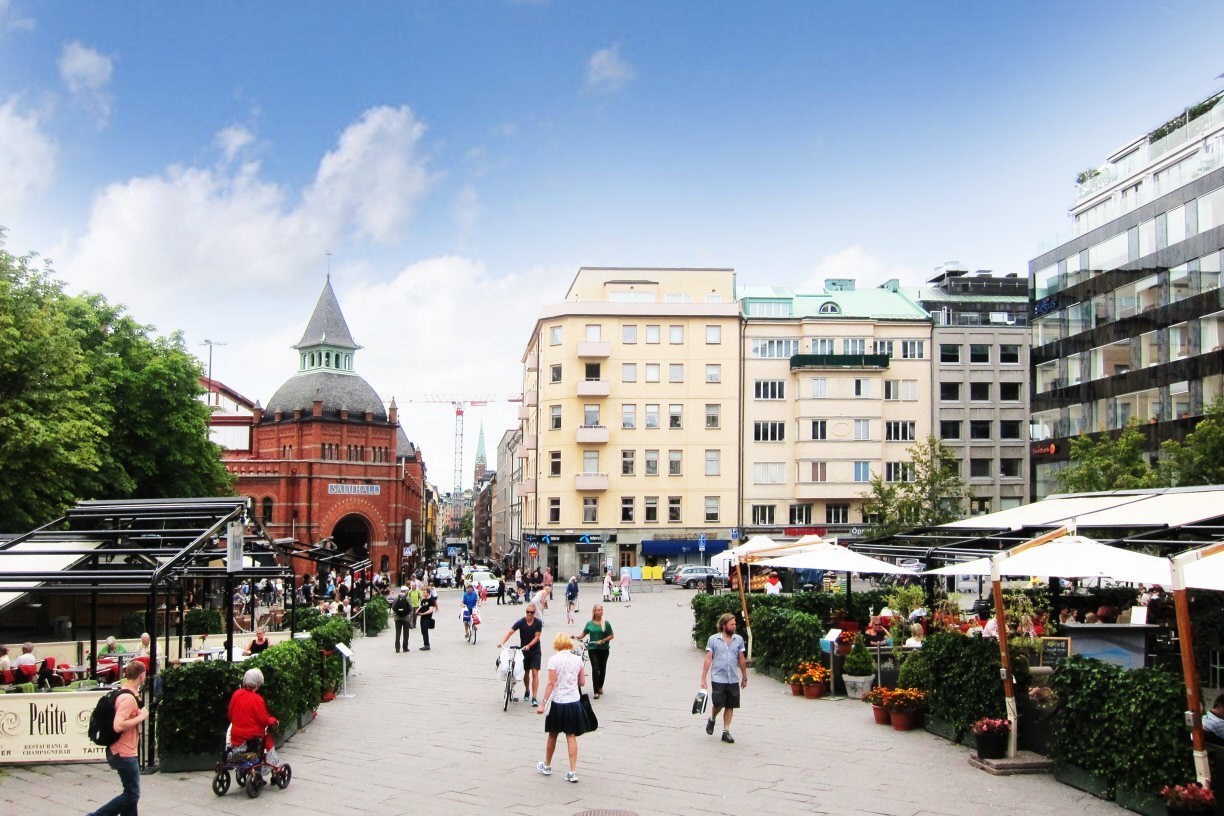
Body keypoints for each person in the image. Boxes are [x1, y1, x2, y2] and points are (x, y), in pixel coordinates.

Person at [86, 660, 148, 816]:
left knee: (130, 793)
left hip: (122, 750)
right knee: (132, 794)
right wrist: (141, 717)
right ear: (141, 676)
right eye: (145, 674)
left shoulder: (124, 692)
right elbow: (118, 725)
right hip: (124, 752)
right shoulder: (128, 699)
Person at [535, 632, 588, 783]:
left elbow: (551, 683)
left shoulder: (554, 660)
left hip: (558, 702)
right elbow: (582, 682)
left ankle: (547, 765)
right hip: (573, 702)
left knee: (553, 735)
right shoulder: (578, 660)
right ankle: (572, 771)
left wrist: (543, 704)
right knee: (571, 736)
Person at [701, 612, 747, 744]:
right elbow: (708, 658)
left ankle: (726, 731)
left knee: (730, 705)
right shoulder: (713, 639)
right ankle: (712, 718)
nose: (734, 626)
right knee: (718, 703)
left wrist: (744, 677)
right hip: (718, 678)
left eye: (735, 624)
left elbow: (741, 659)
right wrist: (703, 678)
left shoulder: (738, 640)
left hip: (733, 678)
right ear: (723, 625)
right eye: (732, 624)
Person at [227, 667, 281, 776]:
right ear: (258, 683)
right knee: (267, 741)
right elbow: (264, 720)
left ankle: (242, 761)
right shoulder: (257, 699)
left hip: (236, 736)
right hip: (252, 738)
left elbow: (230, 714)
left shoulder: (236, 694)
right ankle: (267, 766)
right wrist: (274, 721)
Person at [498, 602, 544, 705]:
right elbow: (510, 632)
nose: (529, 614)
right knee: (526, 673)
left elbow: (537, 637)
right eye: (527, 612)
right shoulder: (521, 622)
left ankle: (534, 697)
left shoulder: (538, 623)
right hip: (523, 651)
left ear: (534, 613)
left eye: (531, 612)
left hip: (535, 651)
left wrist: (529, 645)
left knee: (535, 672)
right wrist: (502, 642)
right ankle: (527, 690)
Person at [577, 603, 614, 699]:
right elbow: (583, 634)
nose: (600, 612)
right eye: (598, 610)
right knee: (595, 668)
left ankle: (600, 686)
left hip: (604, 649)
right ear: (594, 612)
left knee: (602, 669)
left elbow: (611, 635)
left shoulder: (606, 623)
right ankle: (596, 691)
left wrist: (603, 640)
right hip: (593, 649)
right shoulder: (589, 624)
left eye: (601, 610)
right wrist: (575, 637)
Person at [417, 582, 438, 650]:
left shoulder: (431, 600)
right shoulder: (423, 600)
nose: (423, 594)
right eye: (423, 593)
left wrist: (423, 614)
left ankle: (427, 645)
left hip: (427, 618)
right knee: (423, 631)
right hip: (422, 618)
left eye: (424, 593)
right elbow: (421, 606)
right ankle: (425, 644)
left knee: (425, 631)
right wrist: (417, 610)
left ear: (428, 593)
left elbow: (431, 610)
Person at [392, 587, 413, 652]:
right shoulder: (408, 598)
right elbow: (411, 608)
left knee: (397, 633)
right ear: (406, 591)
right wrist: (409, 616)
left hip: (397, 618)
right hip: (406, 619)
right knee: (406, 633)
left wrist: (396, 615)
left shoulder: (396, 598)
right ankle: (405, 648)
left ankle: (397, 649)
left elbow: (393, 607)